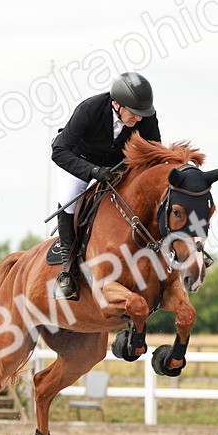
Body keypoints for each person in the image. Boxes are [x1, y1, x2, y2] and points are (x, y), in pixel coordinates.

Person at [50, 71, 161, 300]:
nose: (139, 119)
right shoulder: (90, 109)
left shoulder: (146, 117)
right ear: (117, 104)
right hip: (79, 159)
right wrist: (91, 171)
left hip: (115, 167)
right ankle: (67, 271)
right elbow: (59, 151)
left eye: (143, 115)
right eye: (135, 114)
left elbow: (154, 154)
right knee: (70, 202)